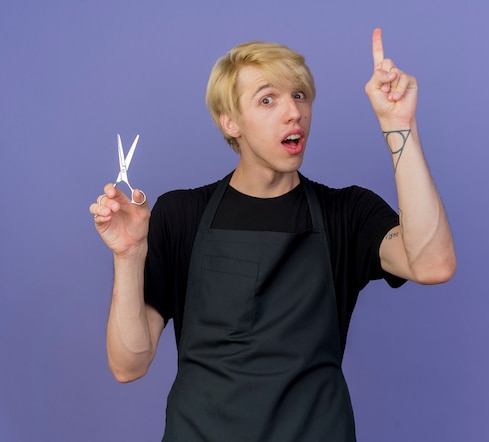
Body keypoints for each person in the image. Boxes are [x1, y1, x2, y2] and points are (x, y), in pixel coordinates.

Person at [90, 28, 456, 441]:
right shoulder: (182, 214)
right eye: (268, 99)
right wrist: (129, 254)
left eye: (299, 95)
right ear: (230, 122)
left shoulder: (348, 213)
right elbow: (129, 365)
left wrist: (398, 123)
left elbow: (433, 263)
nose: (293, 112)